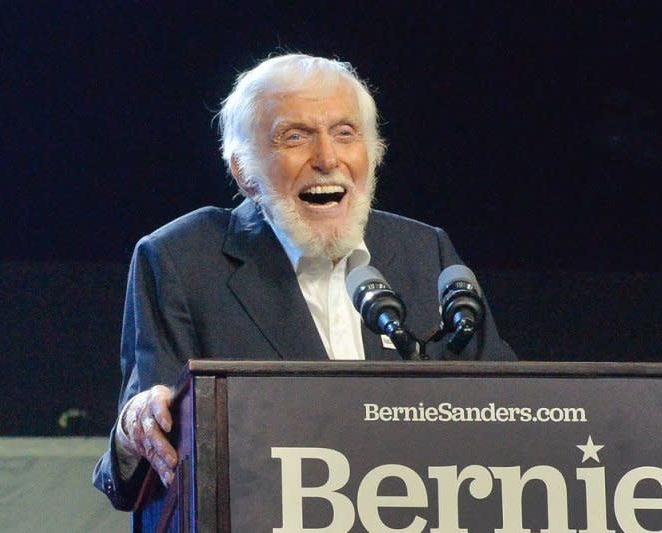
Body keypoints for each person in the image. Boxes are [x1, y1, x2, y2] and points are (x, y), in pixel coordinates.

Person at [93, 53, 516, 511]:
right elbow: (143, 456)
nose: (327, 158)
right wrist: (133, 429)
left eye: (345, 134)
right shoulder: (180, 259)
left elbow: (514, 411)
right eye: (295, 137)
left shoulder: (424, 251)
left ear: (372, 155)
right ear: (243, 171)